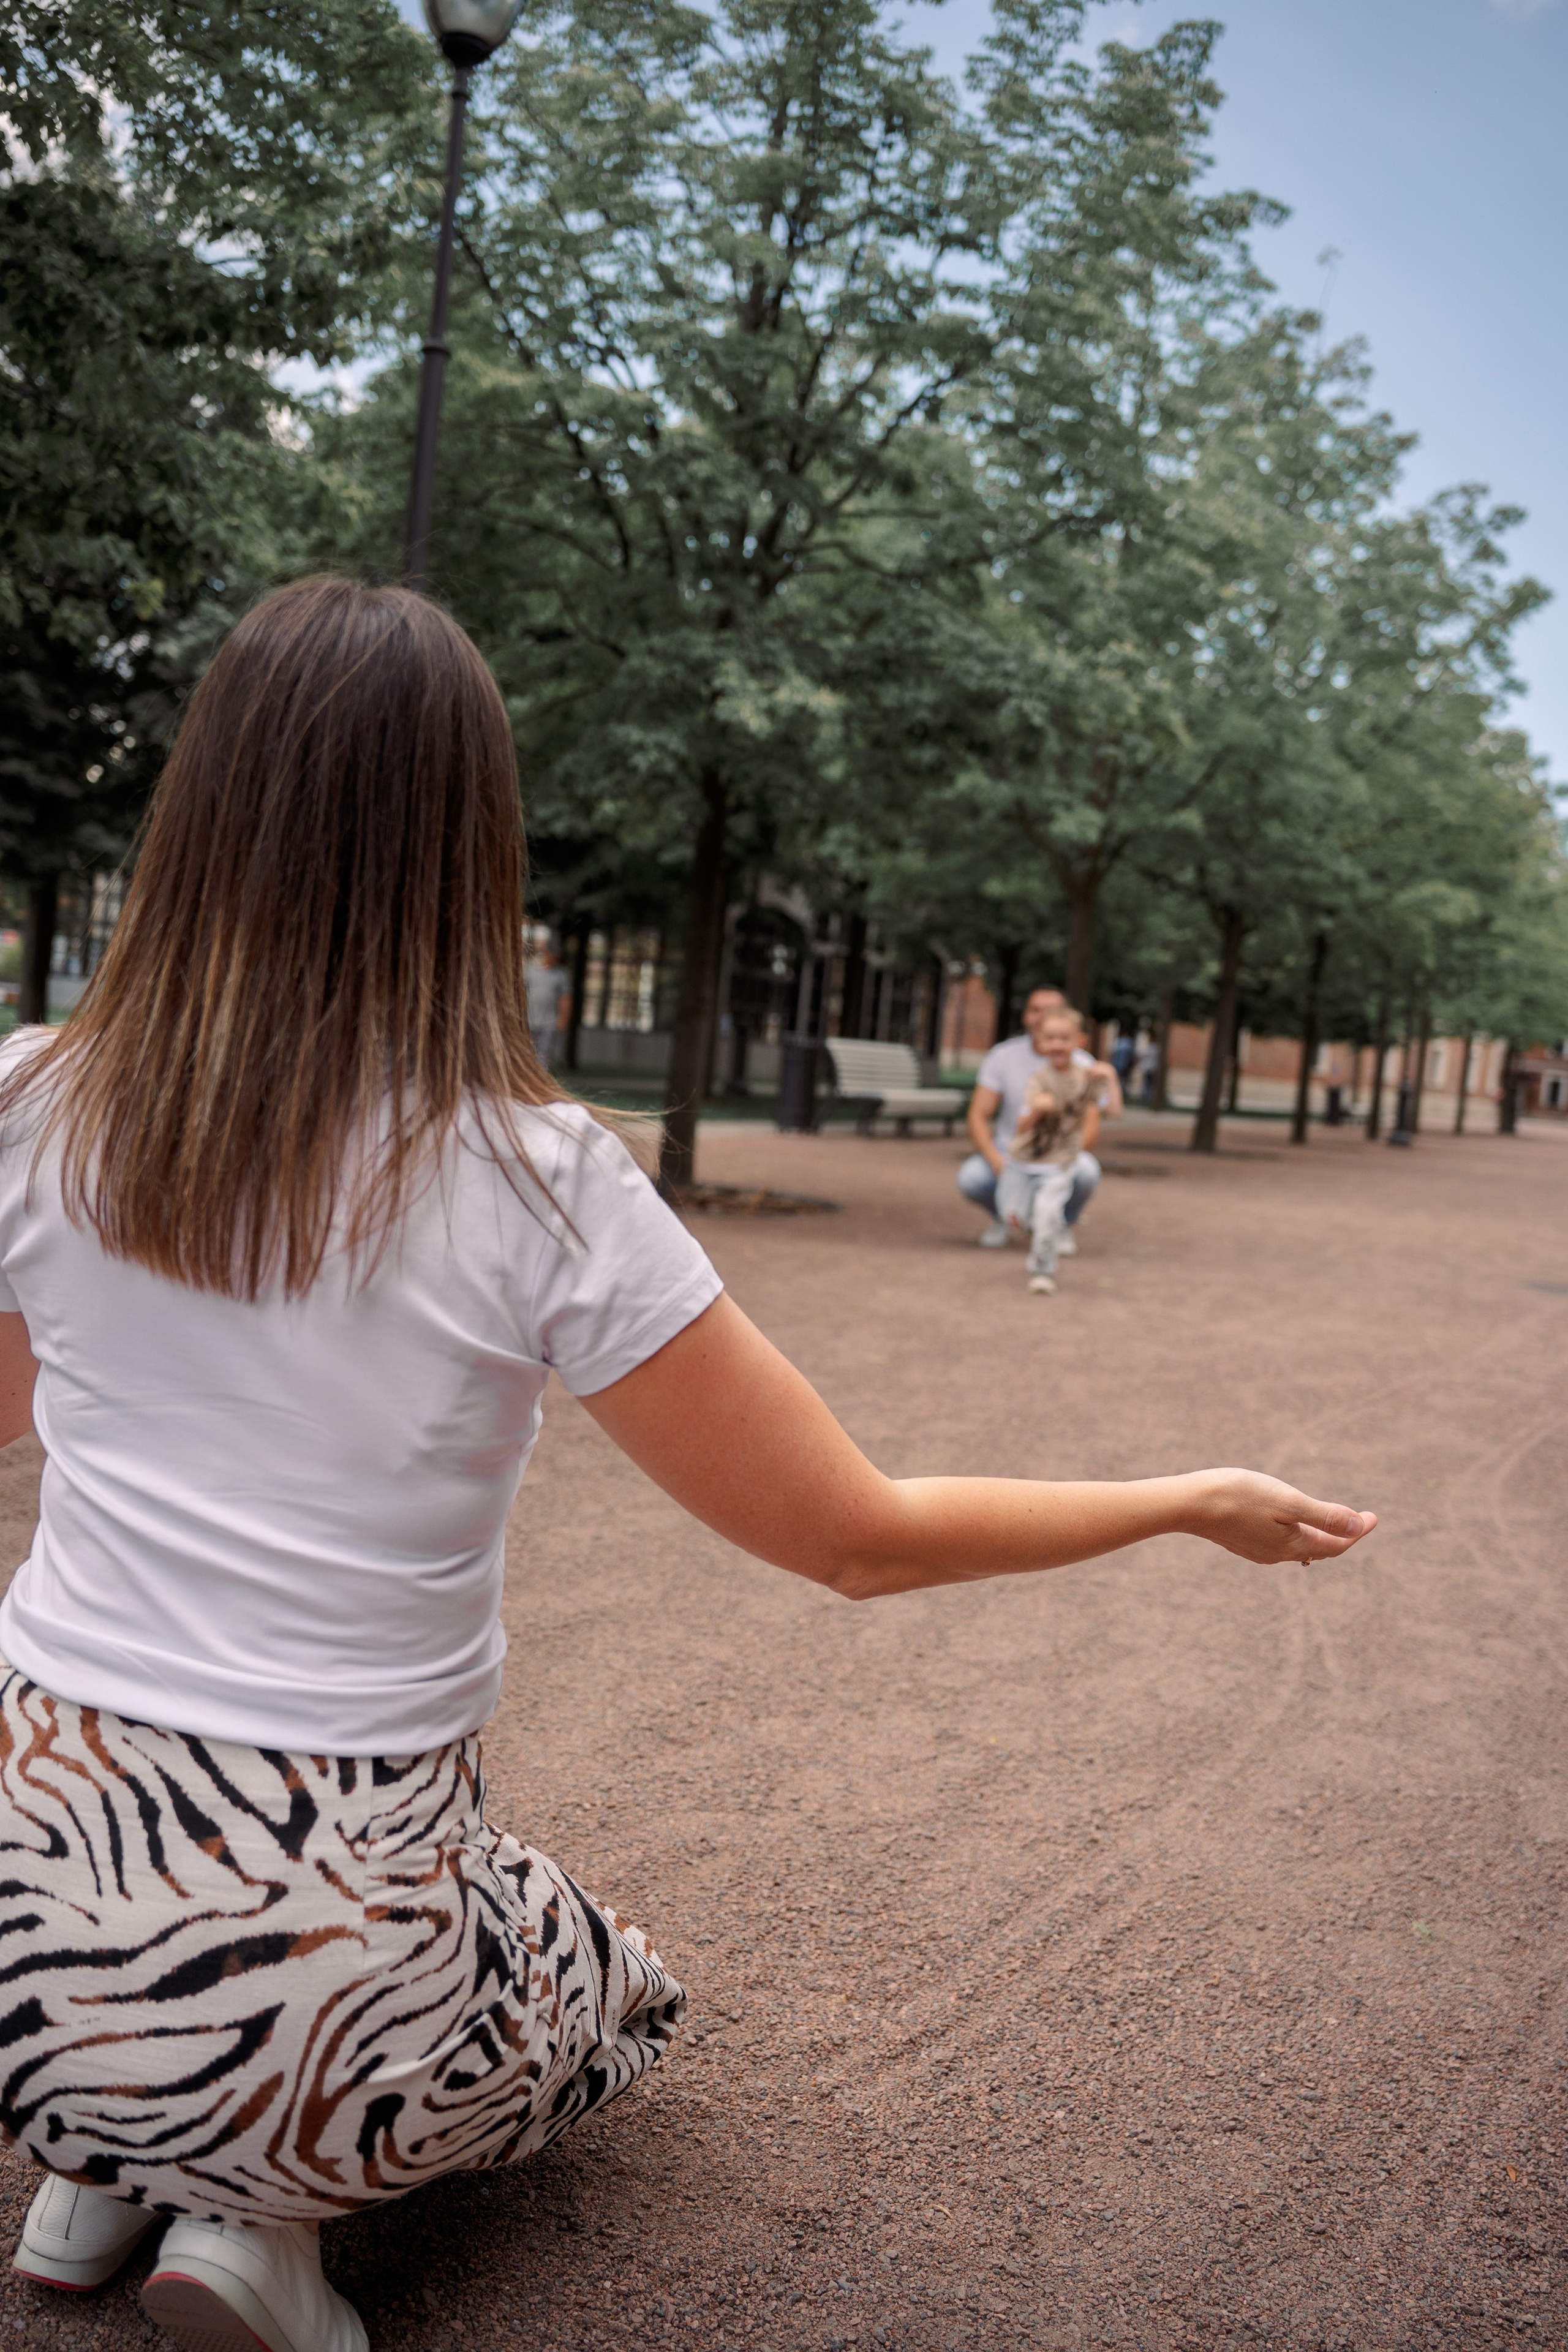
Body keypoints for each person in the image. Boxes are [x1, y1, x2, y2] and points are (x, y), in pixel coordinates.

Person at [0, 578, 1375, 2352]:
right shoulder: (531, 1180)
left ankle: (92, 2160)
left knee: (135, 1896)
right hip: (327, 2005)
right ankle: (260, 2222)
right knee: (608, 1984)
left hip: (24, 1939)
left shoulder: (33, 1104)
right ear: (465, 853)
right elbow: (856, 1537)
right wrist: (1186, 1499)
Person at [958, 987, 1122, 1252]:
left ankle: (1060, 1225)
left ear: (1078, 1038)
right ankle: (1009, 1218)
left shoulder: (1085, 1068)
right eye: (1035, 1010)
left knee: (1086, 1172)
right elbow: (980, 1115)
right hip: (1017, 1152)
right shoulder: (1016, 1064)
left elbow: (1101, 1119)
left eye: (1051, 1011)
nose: (1042, 1017)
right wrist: (1000, 1162)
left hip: (1060, 1154)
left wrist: (1059, 1161)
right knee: (973, 1178)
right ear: (1026, 1017)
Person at [998, 1009, 1101, 1296]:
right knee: (1013, 1219)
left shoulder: (1085, 1078)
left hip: (1058, 1163)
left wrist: (1111, 1078)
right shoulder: (1038, 1079)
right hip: (1023, 1161)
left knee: (1048, 1214)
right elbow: (1021, 1127)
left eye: (1065, 1038)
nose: (1057, 1044)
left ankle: (1043, 1270)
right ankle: (1034, 1217)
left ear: (1079, 1041)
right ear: (1040, 1042)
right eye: (1051, 1038)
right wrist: (1035, 1110)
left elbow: (1111, 1111)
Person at [525, 935, 572, 1063]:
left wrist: (563, 1020)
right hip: (529, 1020)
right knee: (527, 1054)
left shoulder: (562, 974)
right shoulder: (531, 970)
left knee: (543, 1056)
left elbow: (566, 999)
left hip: (549, 1022)